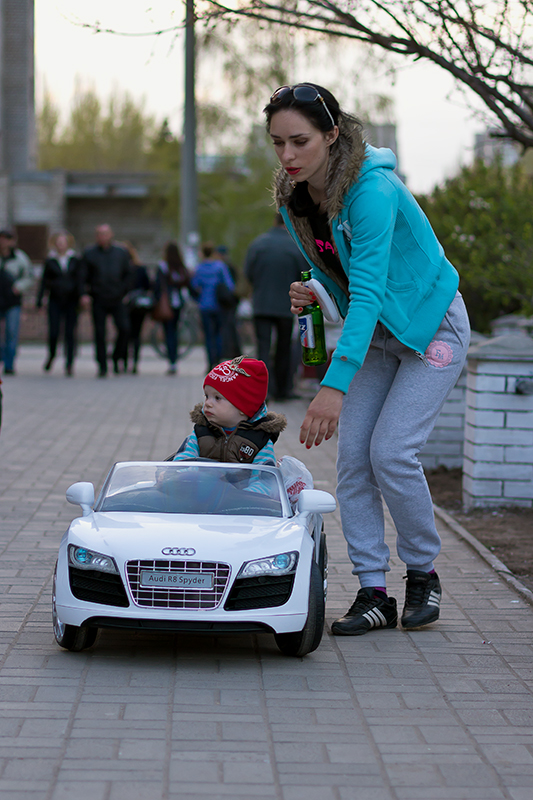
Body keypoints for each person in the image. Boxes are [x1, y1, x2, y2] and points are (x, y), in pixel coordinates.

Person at [264, 83, 471, 635]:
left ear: (332, 135)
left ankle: (422, 574)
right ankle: (374, 592)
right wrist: (318, 294)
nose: (288, 156)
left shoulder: (372, 191)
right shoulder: (295, 201)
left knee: (392, 453)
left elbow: (374, 289)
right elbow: (349, 286)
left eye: (300, 141)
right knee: (354, 459)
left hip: (432, 330)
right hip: (379, 335)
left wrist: (332, 384)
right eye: (278, 143)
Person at [172, 356, 286, 465]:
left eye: (217, 398)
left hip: (243, 486)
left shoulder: (259, 441)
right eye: (207, 396)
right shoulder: (201, 433)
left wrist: (252, 486)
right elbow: (183, 461)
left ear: (243, 406)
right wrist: (177, 475)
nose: (208, 403)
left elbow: (263, 479)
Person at [245, 212, 307, 400]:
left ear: (274, 221)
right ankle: (283, 389)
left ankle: (265, 390)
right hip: (286, 306)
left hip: (261, 304)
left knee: (263, 347)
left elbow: (248, 273)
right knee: (284, 347)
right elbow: (304, 274)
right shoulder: (295, 245)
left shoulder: (257, 244)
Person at [80, 224, 131, 377]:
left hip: (117, 298)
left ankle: (116, 357)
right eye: (100, 234)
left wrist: (124, 291)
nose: (103, 237)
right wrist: (84, 294)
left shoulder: (120, 253)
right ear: (96, 237)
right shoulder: (89, 254)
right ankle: (102, 365)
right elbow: (82, 276)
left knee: (124, 328)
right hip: (98, 298)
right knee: (100, 333)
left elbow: (128, 274)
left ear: (111, 235)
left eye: (105, 234)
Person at [37, 230, 81, 377]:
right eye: (58, 242)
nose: (61, 245)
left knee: (70, 332)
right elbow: (44, 282)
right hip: (55, 300)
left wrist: (82, 296)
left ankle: (69, 363)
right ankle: (52, 354)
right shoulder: (50, 260)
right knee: (54, 331)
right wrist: (39, 300)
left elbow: (80, 280)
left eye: (63, 242)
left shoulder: (74, 259)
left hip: (71, 300)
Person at [191, 242, 235, 370]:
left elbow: (194, 285)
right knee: (219, 333)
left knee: (208, 335)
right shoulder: (220, 267)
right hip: (219, 305)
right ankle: (218, 360)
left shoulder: (199, 268)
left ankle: (210, 362)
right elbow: (230, 285)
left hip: (204, 305)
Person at [0, 229, 33, 376]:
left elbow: (29, 277)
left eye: (6, 239)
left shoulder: (20, 258)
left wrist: (18, 287)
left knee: (11, 332)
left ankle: (9, 364)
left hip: (12, 301)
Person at [155, 242, 191, 376]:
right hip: (179, 303)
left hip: (167, 304)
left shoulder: (163, 267)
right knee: (175, 330)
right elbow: (188, 282)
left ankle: (171, 360)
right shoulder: (180, 267)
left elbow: (157, 286)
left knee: (168, 331)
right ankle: (174, 358)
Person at [122, 241, 152, 375]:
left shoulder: (122, 270)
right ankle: (134, 362)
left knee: (125, 333)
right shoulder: (140, 268)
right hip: (139, 306)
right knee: (136, 335)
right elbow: (148, 286)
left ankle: (125, 361)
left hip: (126, 305)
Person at [216, 244, 241, 359]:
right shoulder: (231, 267)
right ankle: (234, 350)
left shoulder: (220, 267)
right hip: (232, 300)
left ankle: (226, 351)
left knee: (225, 326)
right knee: (231, 325)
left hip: (223, 301)